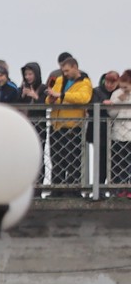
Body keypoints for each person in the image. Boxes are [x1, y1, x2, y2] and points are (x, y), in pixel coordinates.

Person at [45, 52, 94, 190]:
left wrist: (62, 95)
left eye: (67, 70)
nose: (65, 73)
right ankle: (57, 189)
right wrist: (51, 99)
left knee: (73, 159)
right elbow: (49, 98)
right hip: (56, 125)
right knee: (56, 159)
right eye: (63, 71)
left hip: (73, 126)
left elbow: (83, 98)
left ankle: (73, 189)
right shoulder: (60, 80)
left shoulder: (85, 82)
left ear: (75, 67)